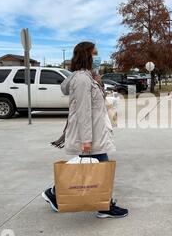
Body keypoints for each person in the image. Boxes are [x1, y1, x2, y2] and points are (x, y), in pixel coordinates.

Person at [43, 41, 128, 218]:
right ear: (86, 55)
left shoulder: (88, 77)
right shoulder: (81, 79)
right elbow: (83, 111)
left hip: (95, 131)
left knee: (92, 168)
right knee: (100, 168)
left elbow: (95, 102)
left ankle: (56, 192)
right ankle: (104, 206)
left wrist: (98, 82)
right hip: (91, 134)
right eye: (95, 53)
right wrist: (86, 140)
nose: (98, 57)